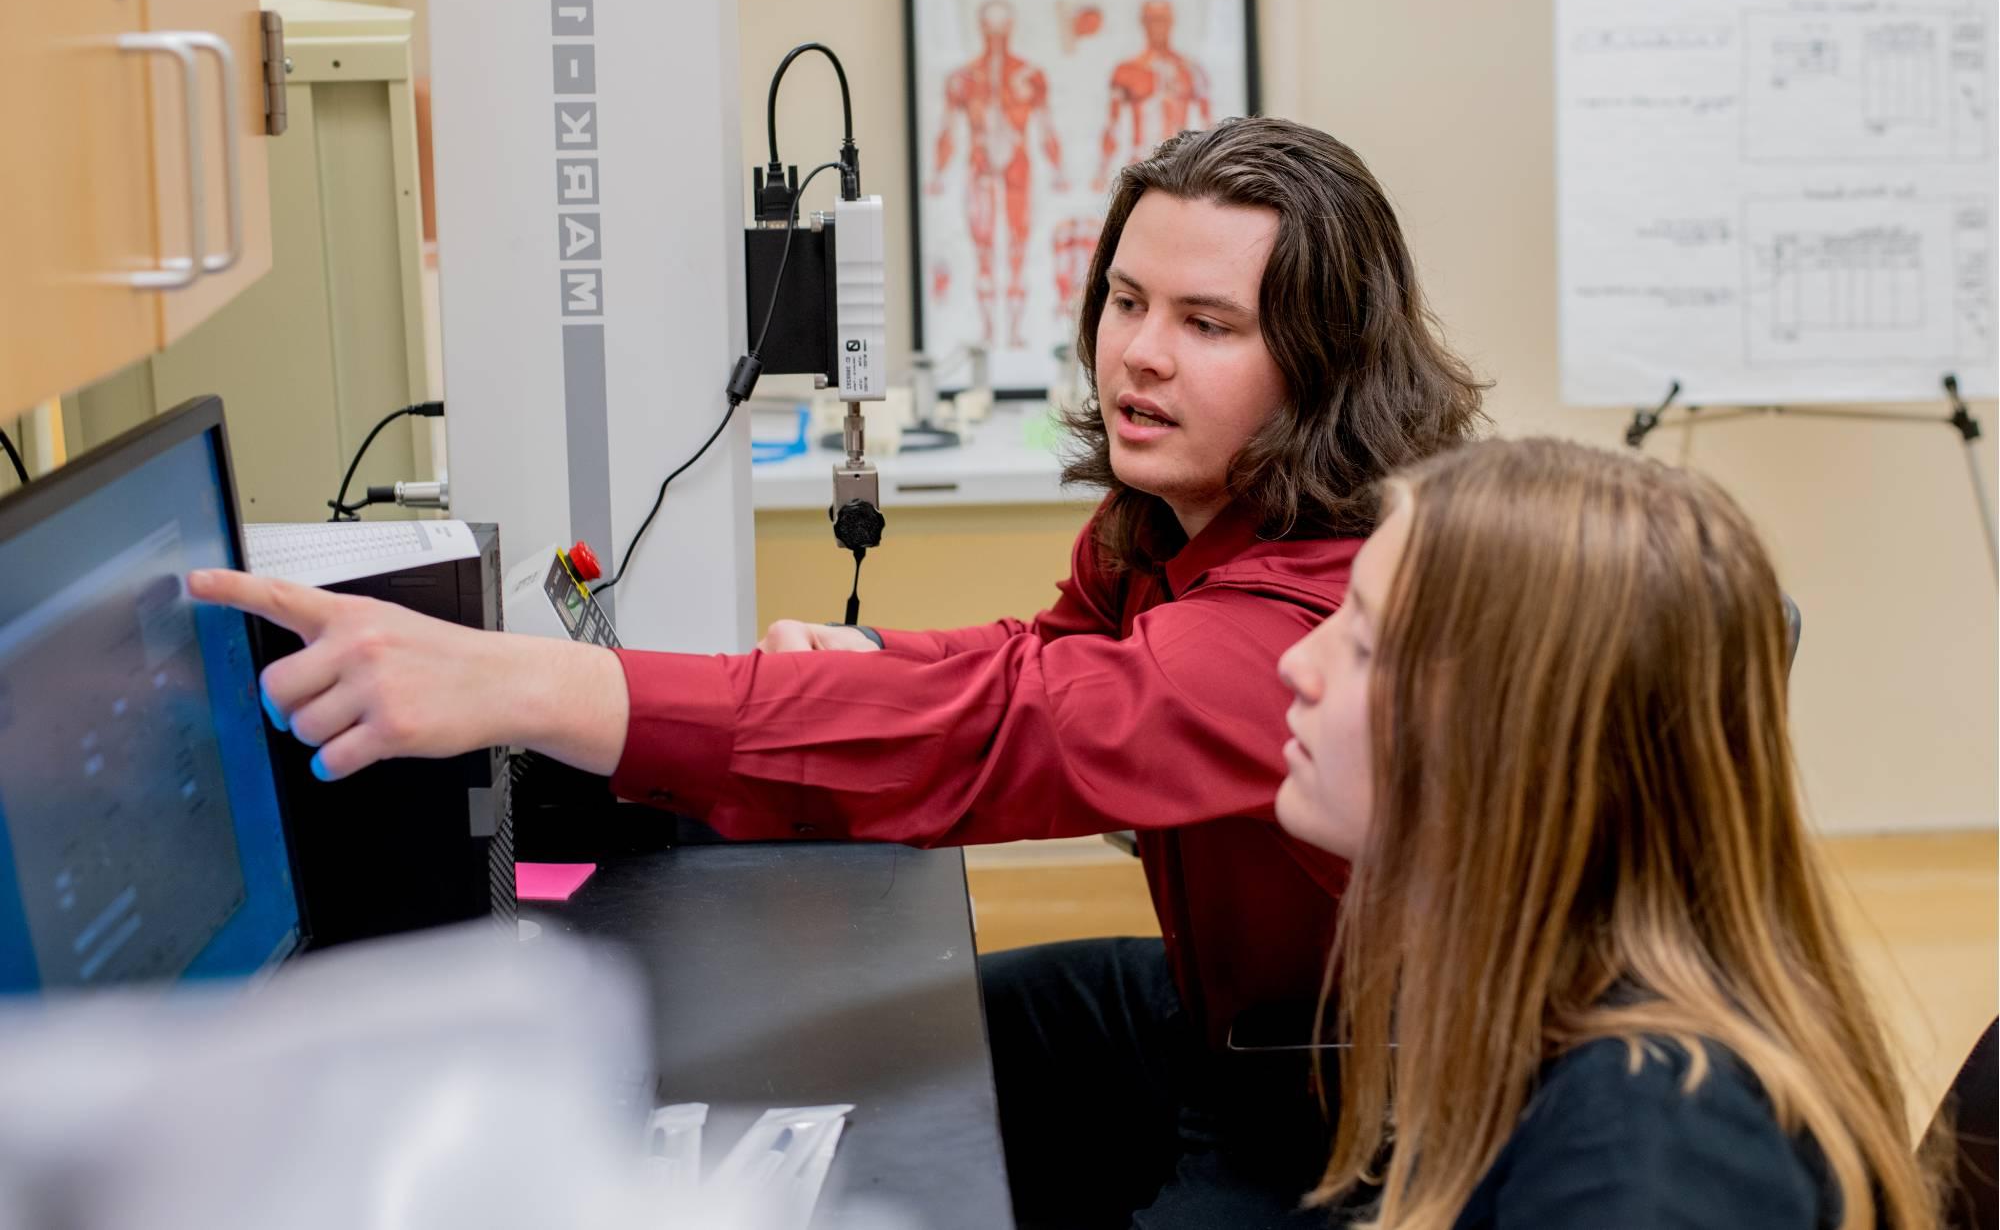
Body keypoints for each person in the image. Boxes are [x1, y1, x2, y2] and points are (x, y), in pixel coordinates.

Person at [189, 116, 1486, 1225]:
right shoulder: (1173, 520)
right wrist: (874, 658)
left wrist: (529, 684)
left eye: (1207, 323)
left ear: (1320, 365)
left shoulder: (1307, 608)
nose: (1139, 353)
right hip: (1226, 1017)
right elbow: (1057, 660)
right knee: (902, 1059)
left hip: (1360, 1106)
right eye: (1128, 302)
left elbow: (1022, 727)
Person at [1272, 437, 1939, 1229]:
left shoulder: (1646, 1153)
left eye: (1366, 645)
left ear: (1527, 745)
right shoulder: (1527, 998)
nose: (1295, 663)